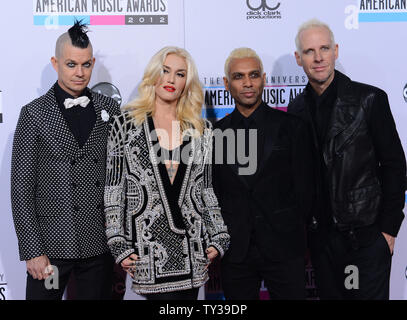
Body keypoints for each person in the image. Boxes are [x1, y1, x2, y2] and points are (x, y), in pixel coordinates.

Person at [288, 19, 406, 299]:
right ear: (298, 58)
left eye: (324, 48)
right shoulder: (296, 108)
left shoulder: (370, 99)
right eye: (309, 51)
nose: (318, 58)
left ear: (336, 51)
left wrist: (388, 231)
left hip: (365, 237)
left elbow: (394, 166)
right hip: (322, 241)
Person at [104, 46, 230, 300]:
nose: (171, 79)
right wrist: (117, 241)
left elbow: (206, 190)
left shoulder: (201, 130)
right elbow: (114, 190)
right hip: (147, 254)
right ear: (154, 74)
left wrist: (219, 235)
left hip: (192, 254)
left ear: (187, 82)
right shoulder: (126, 126)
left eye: (180, 74)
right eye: (165, 71)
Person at [10, 21, 120, 300]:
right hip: (50, 251)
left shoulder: (109, 108)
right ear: (55, 62)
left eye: (86, 65)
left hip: (98, 244)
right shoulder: (33, 114)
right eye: (71, 64)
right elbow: (21, 188)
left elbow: (120, 174)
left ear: (92, 62)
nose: (80, 73)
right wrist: (33, 249)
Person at [212, 47, 314, 300]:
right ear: (226, 83)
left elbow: (307, 188)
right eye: (238, 76)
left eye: (254, 75)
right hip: (236, 249)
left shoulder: (293, 127)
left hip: (285, 247)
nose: (248, 83)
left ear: (264, 79)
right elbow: (213, 192)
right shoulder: (213, 135)